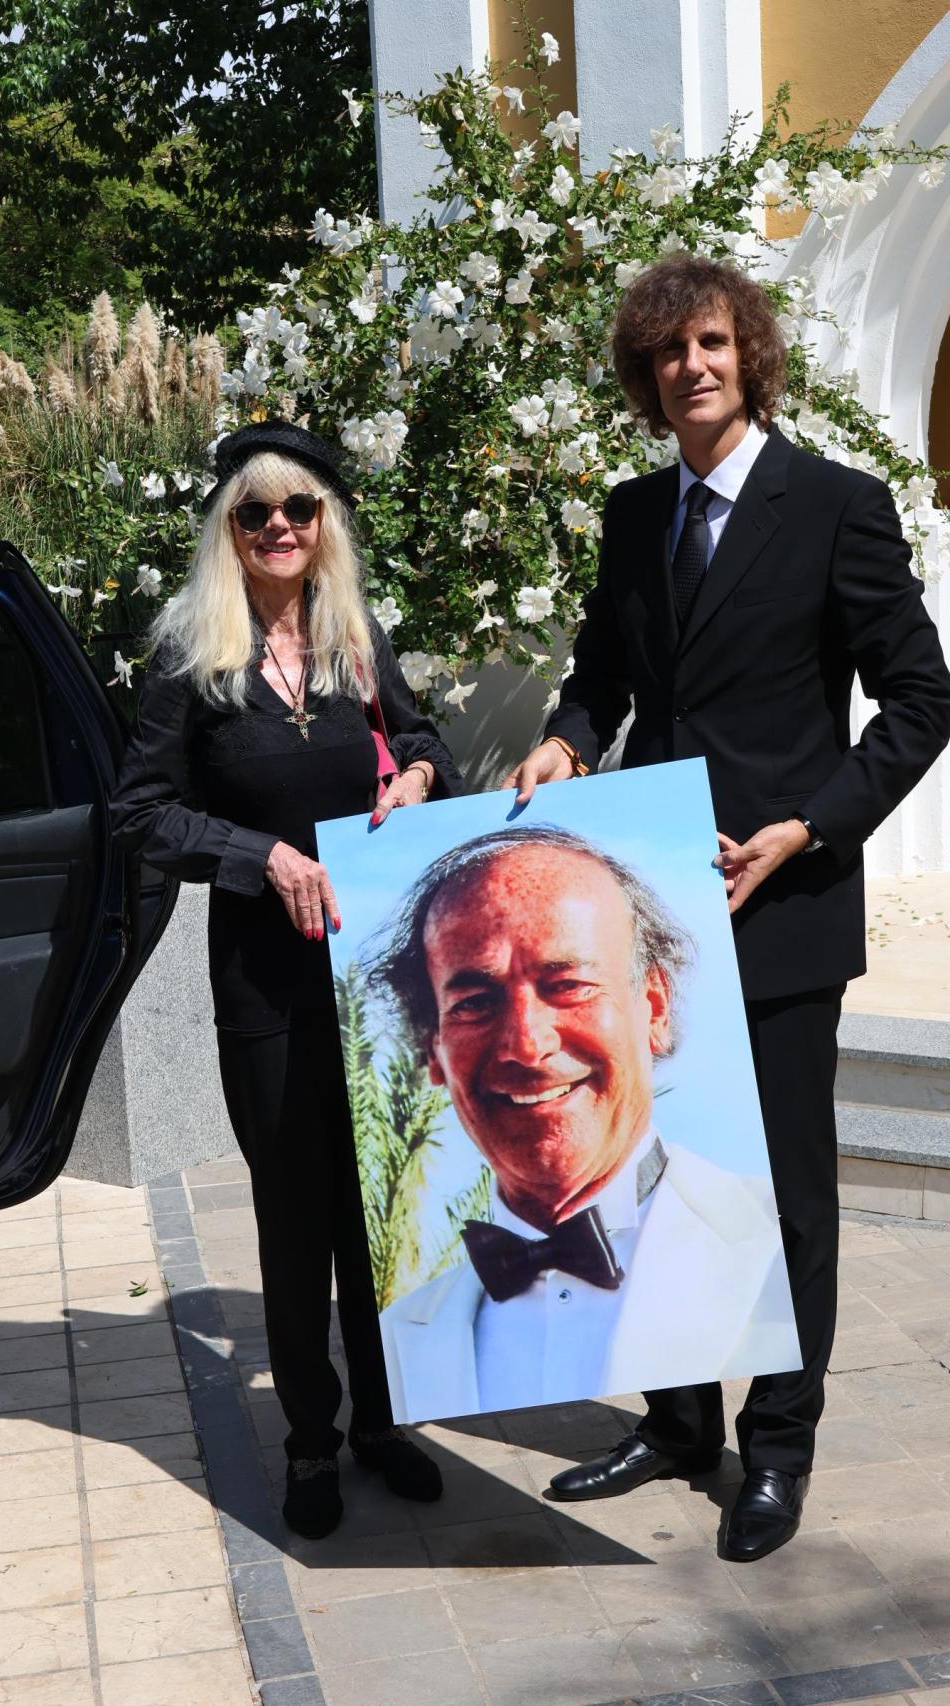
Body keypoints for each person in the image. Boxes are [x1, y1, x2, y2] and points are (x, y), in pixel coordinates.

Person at [503, 254, 950, 1562]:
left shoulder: (838, 506)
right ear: (645, 381)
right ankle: (682, 1418)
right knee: (657, 1176)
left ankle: (782, 1444)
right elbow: (602, 673)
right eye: (663, 354)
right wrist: (565, 743)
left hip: (787, 901)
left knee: (789, 1196)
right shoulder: (637, 514)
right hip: (651, 902)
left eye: (708, 341)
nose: (688, 366)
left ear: (748, 351)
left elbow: (923, 699)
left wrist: (811, 822)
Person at [110, 419, 463, 1540]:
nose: (278, 527)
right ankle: (312, 1434)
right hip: (265, 980)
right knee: (296, 1206)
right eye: (255, 511)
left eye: (299, 510)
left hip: (375, 978)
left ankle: (381, 1422)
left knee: (378, 1201)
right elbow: (138, 813)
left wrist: (412, 774)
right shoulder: (191, 659)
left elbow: (428, 739)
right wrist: (257, 857)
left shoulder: (355, 640)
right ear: (228, 528)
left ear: (324, 526)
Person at [371, 825, 800, 1424]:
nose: (527, 1045)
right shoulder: (399, 1335)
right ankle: (676, 1433)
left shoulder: (775, 1240)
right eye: (474, 1002)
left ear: (653, 1008)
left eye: (567, 985)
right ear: (431, 1049)